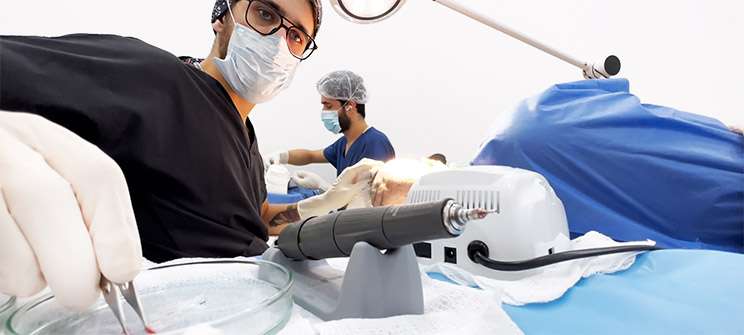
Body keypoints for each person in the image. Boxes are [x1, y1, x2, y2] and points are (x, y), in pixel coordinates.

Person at [0, 0, 379, 309]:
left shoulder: (245, 137)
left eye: (297, 36)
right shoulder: (155, 79)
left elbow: (255, 219)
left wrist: (327, 203)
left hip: (241, 308)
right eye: (266, 14)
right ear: (222, 17)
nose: (280, 41)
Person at [268, 70, 396, 176]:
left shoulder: (375, 143)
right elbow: (310, 156)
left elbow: (371, 199)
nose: (324, 112)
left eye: (328, 106)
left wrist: (323, 188)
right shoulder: (344, 144)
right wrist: (279, 157)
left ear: (350, 106)